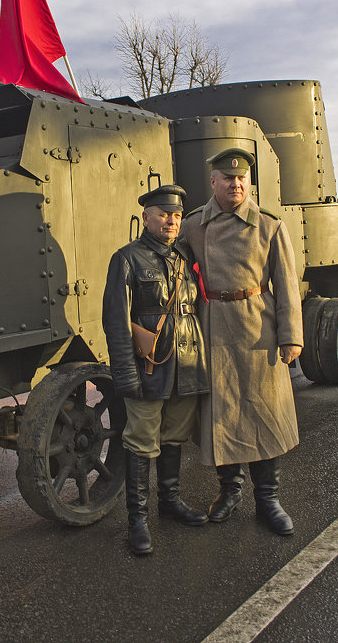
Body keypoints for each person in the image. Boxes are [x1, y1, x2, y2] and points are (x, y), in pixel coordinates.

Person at [179, 148, 303, 536]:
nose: (235, 184)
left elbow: (286, 285)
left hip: (257, 329)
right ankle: (228, 491)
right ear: (213, 181)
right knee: (222, 414)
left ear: (248, 182)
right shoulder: (193, 225)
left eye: (241, 179)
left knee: (262, 414)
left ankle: (267, 499)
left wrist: (291, 337)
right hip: (212, 327)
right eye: (227, 178)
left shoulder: (269, 225)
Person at [102, 184, 209, 555]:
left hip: (188, 365)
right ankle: (137, 521)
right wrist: (125, 374)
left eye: (177, 215)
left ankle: (170, 503)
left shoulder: (184, 256)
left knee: (174, 437)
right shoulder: (126, 259)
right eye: (163, 214)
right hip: (149, 368)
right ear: (145, 217)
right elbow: (116, 323)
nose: (171, 220)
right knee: (141, 441)